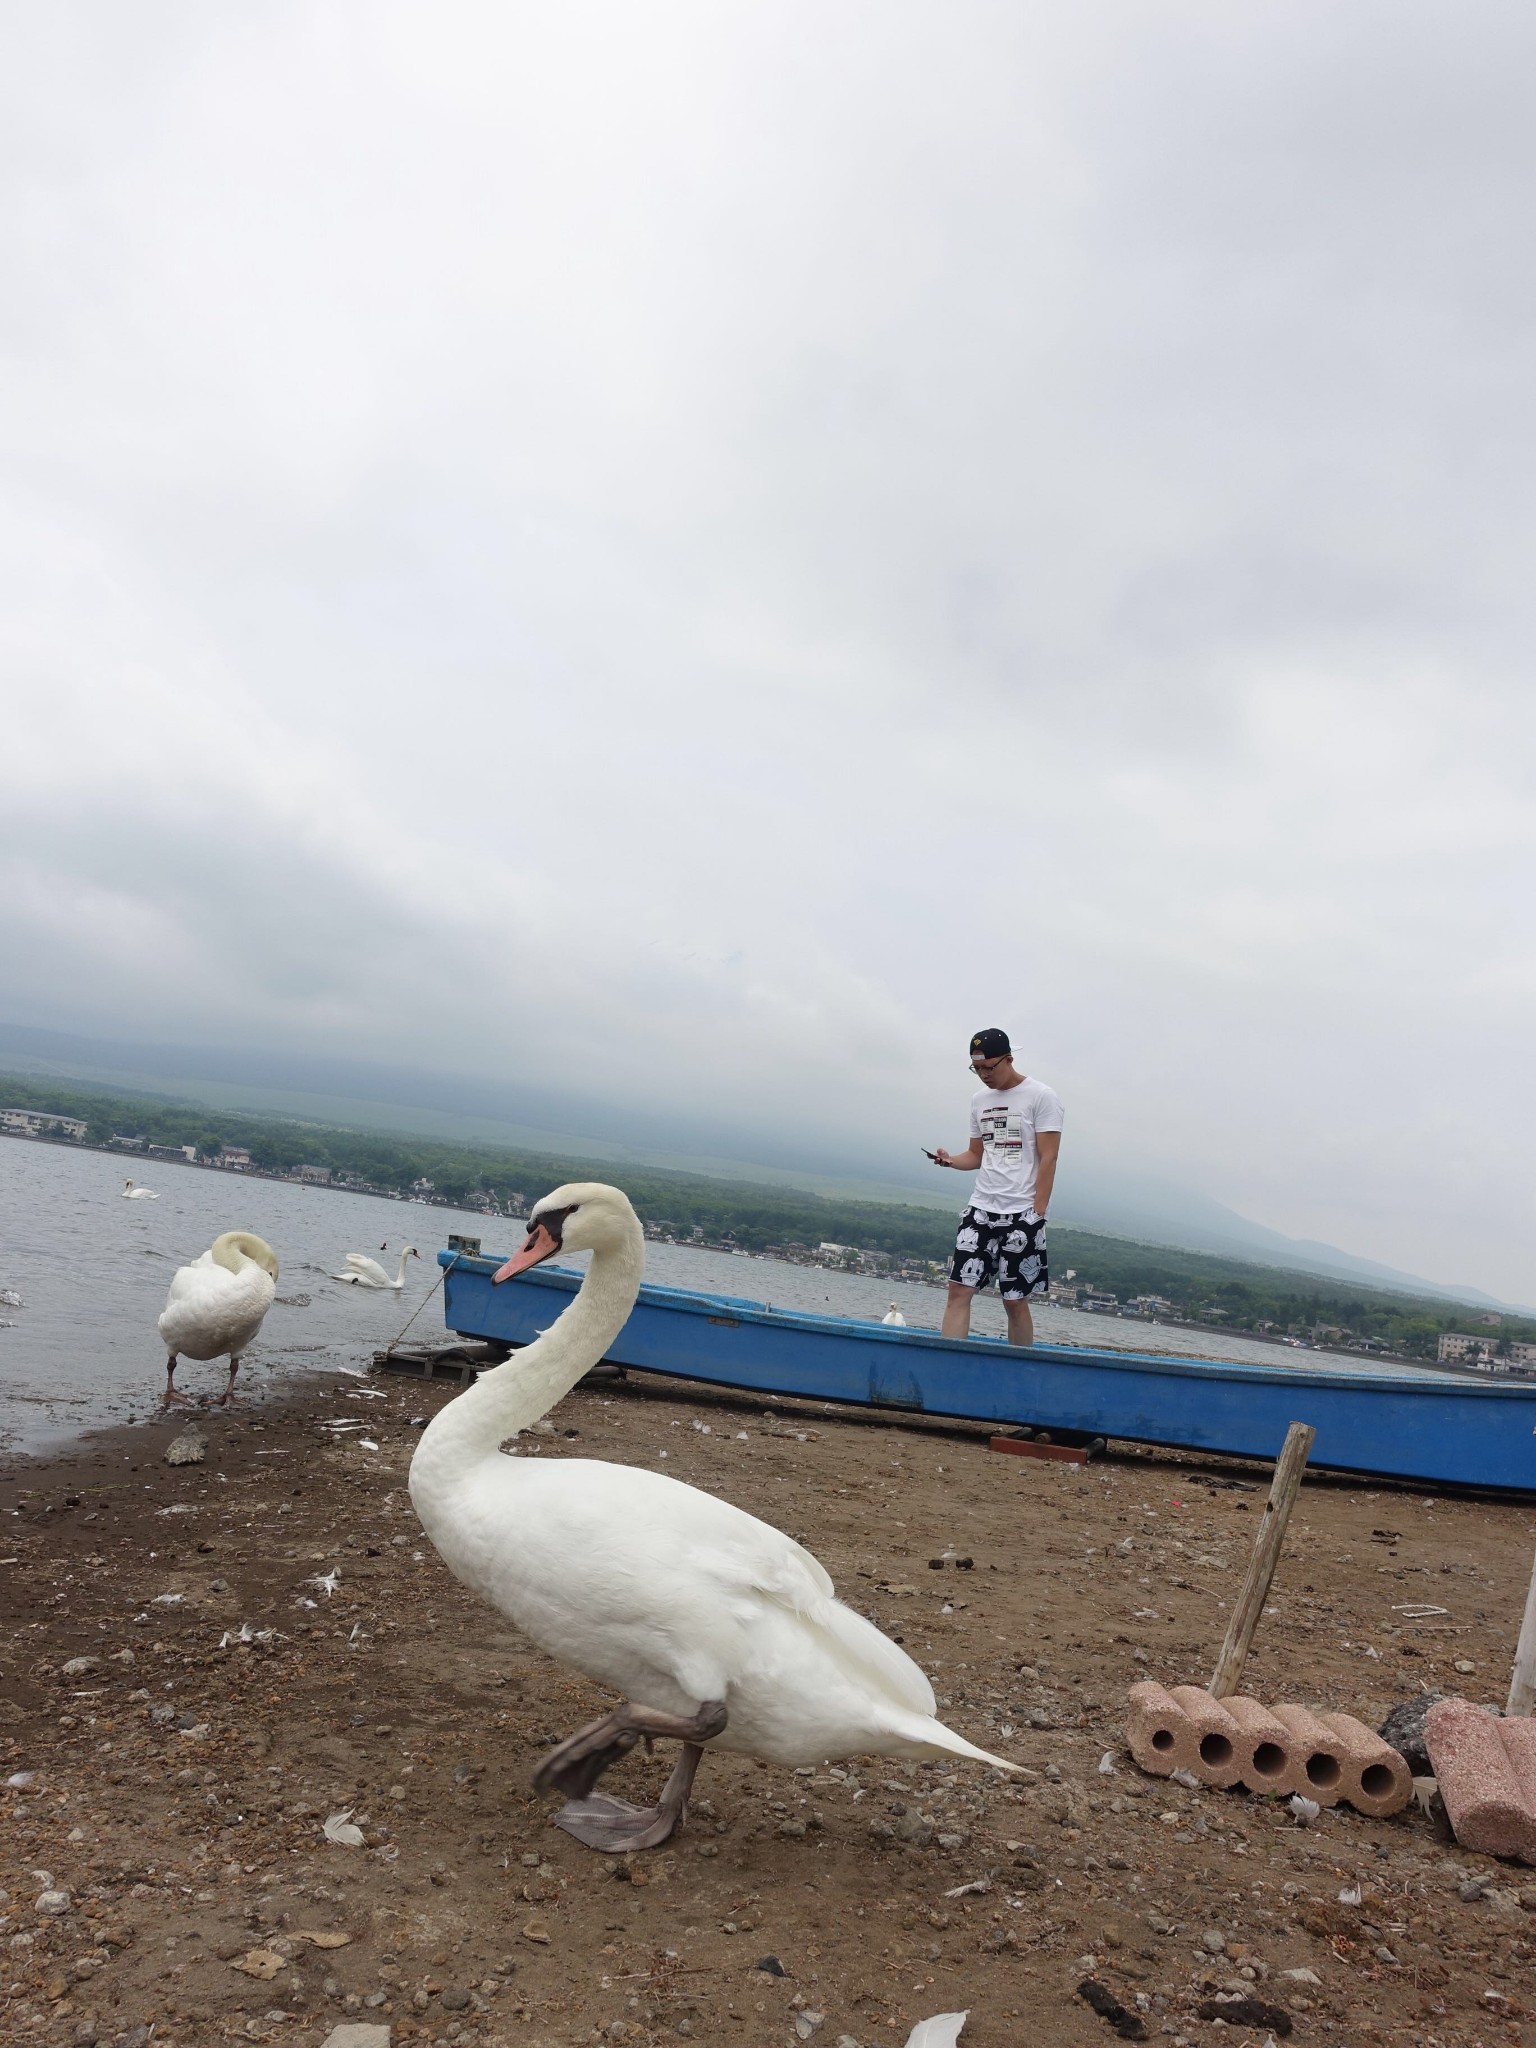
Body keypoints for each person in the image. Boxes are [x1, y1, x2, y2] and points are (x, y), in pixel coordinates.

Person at [928, 1027, 1063, 1346]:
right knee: (958, 1289)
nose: (984, 1075)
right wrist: (949, 1161)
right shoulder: (979, 1101)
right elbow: (976, 1155)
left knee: (1014, 1299)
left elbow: (1049, 1158)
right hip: (981, 1209)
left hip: (1021, 1213)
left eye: (990, 1067)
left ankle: (1018, 1370)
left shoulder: (1041, 1096)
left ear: (1009, 1059)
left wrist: (1037, 1213)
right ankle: (950, 1364)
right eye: (977, 1069)